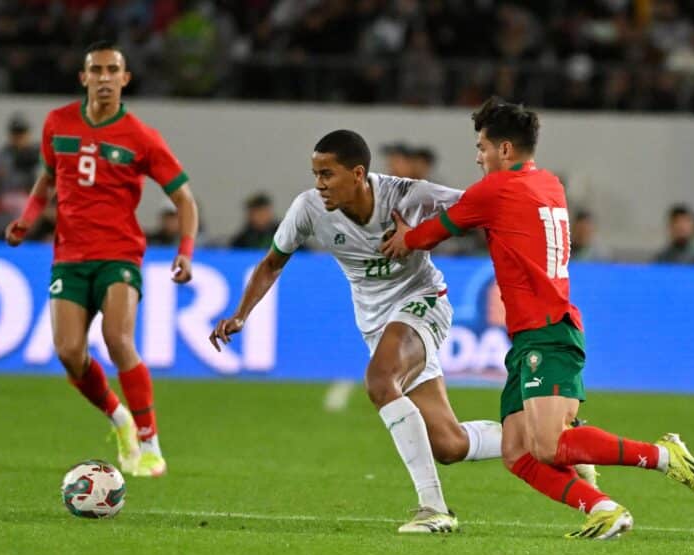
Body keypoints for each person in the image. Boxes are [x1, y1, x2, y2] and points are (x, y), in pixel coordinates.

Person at [381, 98, 694, 539]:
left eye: (481, 146)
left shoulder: (496, 190)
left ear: (504, 149)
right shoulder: (549, 184)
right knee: (517, 452)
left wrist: (404, 236)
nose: (477, 156)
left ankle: (663, 455)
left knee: (548, 444)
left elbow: (427, 235)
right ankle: (604, 509)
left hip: (547, 332)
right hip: (534, 336)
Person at [210, 130, 504, 534]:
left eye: (327, 174)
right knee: (449, 445)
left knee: (380, 380)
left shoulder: (408, 196)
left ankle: (433, 508)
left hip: (424, 300)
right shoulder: (309, 208)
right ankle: (542, 436)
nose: (319, 184)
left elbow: (480, 208)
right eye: (315, 174)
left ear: (358, 173)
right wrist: (241, 314)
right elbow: (271, 263)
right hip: (376, 322)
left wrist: (421, 235)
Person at [6, 41, 200, 478]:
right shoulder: (58, 124)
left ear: (125, 79)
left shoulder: (141, 137)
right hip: (69, 256)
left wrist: (185, 253)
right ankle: (120, 418)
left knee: (118, 339)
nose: (106, 77)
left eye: (114, 70)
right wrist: (27, 219)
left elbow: (185, 199)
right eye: (97, 70)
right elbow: (46, 180)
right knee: (69, 352)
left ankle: (150, 443)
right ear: (84, 77)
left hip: (119, 253)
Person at [0, 113, 40, 240]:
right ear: (10, 134)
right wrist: (0, 196)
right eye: (16, 133)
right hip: (1, 224)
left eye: (22, 133)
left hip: (27, 226)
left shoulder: (37, 159)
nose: (19, 137)